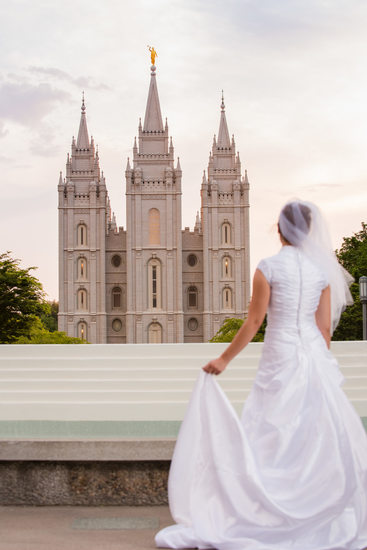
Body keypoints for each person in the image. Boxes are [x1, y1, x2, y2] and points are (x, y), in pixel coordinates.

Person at [155, 200, 367, 550]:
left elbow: (254, 322)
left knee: (271, 428)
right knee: (313, 432)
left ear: (279, 229)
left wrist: (224, 359)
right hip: (312, 355)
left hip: (280, 354)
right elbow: (323, 329)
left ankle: (269, 509)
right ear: (310, 230)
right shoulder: (323, 272)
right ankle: (313, 506)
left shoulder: (268, 267)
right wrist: (318, 362)